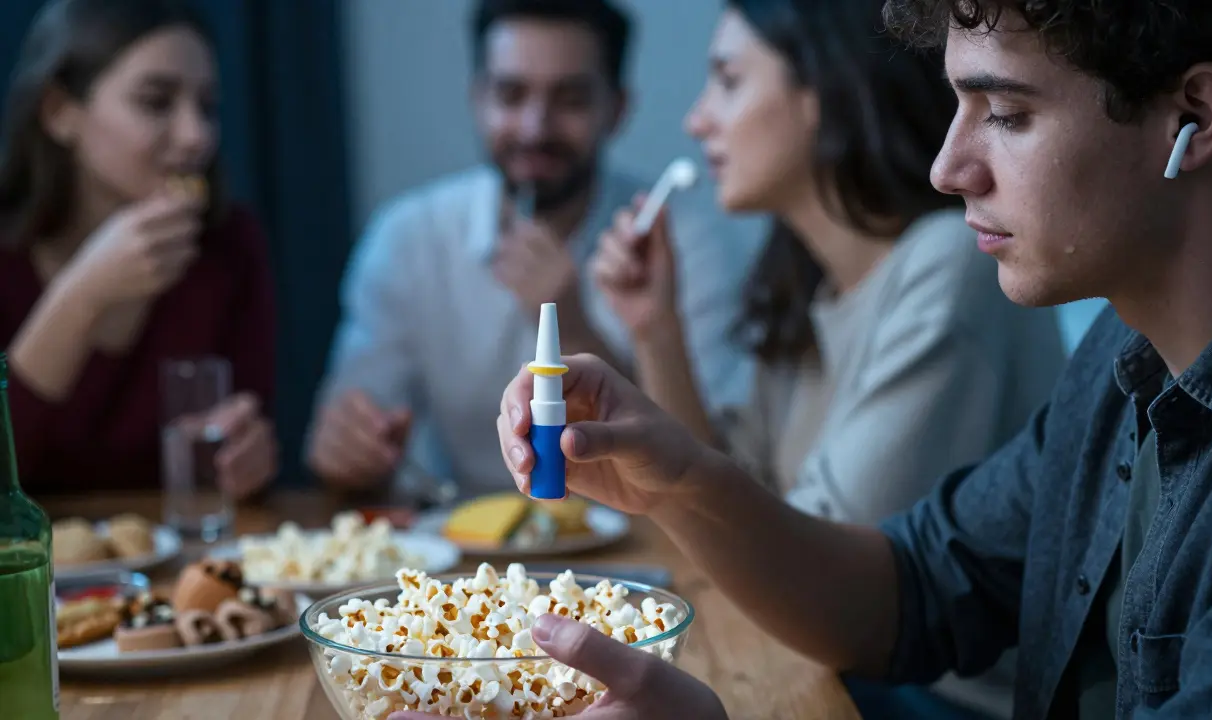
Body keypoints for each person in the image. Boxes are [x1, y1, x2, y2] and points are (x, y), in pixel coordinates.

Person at [487, 0, 1212, 717]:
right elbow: (912, 591)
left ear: (1194, 116)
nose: (948, 169)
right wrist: (680, 482)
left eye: (1007, 114)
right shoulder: (1122, 355)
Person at [595, 2, 1064, 716]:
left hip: (936, 697)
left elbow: (814, 569)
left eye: (728, 81)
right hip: (829, 660)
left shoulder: (949, 269)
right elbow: (725, 491)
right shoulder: (808, 284)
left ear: (821, 90)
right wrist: (654, 327)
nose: (697, 120)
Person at [307, 0, 761, 496]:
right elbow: (348, 437)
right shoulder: (408, 240)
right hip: (462, 535)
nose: (535, 128)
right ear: (477, 99)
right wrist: (349, 450)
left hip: (642, 533)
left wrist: (574, 325)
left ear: (617, 109)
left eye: (570, 99)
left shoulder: (683, 243)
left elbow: (712, 464)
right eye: (511, 94)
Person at [0, 0, 278, 497]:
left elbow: (237, 457)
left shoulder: (228, 247)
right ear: (59, 112)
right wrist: (82, 295)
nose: (196, 137)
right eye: (156, 102)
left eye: (207, 106)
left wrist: (247, 458)